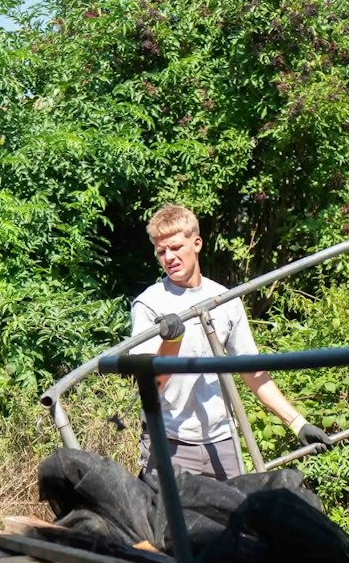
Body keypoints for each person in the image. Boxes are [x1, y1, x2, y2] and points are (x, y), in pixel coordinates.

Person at [127, 204, 329, 479]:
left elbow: (253, 372)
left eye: (175, 247)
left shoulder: (225, 299)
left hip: (223, 442)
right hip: (169, 441)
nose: (169, 257)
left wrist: (297, 423)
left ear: (196, 243)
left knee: (236, 508)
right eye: (161, 252)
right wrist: (173, 340)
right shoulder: (150, 304)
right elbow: (152, 384)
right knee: (166, 510)